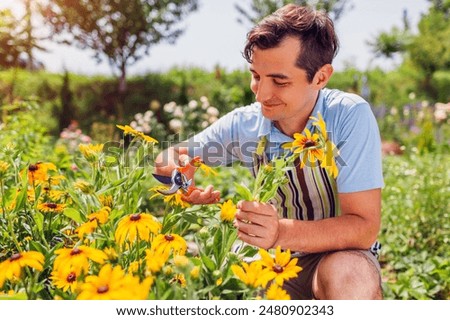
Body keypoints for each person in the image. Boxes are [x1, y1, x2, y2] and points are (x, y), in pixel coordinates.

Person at [154, 4, 383, 300]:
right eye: (256, 76)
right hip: (265, 261)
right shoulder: (246, 123)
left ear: (321, 77)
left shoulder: (348, 117)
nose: (261, 94)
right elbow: (168, 156)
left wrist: (280, 232)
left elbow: (363, 227)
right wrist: (178, 176)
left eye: (280, 81)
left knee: (351, 274)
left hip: (332, 259)